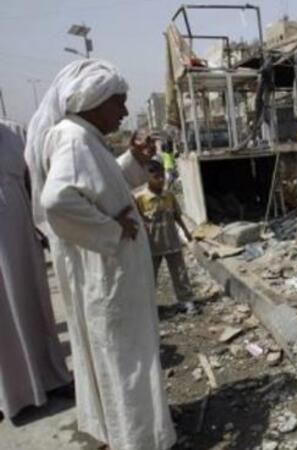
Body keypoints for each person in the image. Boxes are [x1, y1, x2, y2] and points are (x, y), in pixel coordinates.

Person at [24, 59, 176, 450]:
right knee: (125, 358)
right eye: (118, 102)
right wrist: (111, 229)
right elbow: (57, 201)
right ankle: (136, 440)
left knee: (122, 357)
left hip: (111, 271)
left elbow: (101, 185)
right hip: (107, 272)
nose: (124, 111)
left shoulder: (83, 136)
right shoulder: (74, 138)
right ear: (93, 100)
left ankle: (129, 434)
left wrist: (133, 161)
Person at [0, 119, 72, 421]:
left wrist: (43, 228)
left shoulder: (15, 133)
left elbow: (37, 184)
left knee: (32, 304)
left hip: (19, 235)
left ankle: (50, 378)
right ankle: (8, 397)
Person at [136, 156, 194, 304]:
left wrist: (186, 232)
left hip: (172, 242)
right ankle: (148, 304)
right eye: (156, 177)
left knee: (180, 273)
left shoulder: (169, 195)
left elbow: (177, 216)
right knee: (150, 276)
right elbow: (137, 221)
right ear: (147, 177)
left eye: (162, 175)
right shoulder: (140, 199)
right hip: (152, 246)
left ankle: (186, 300)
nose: (161, 180)